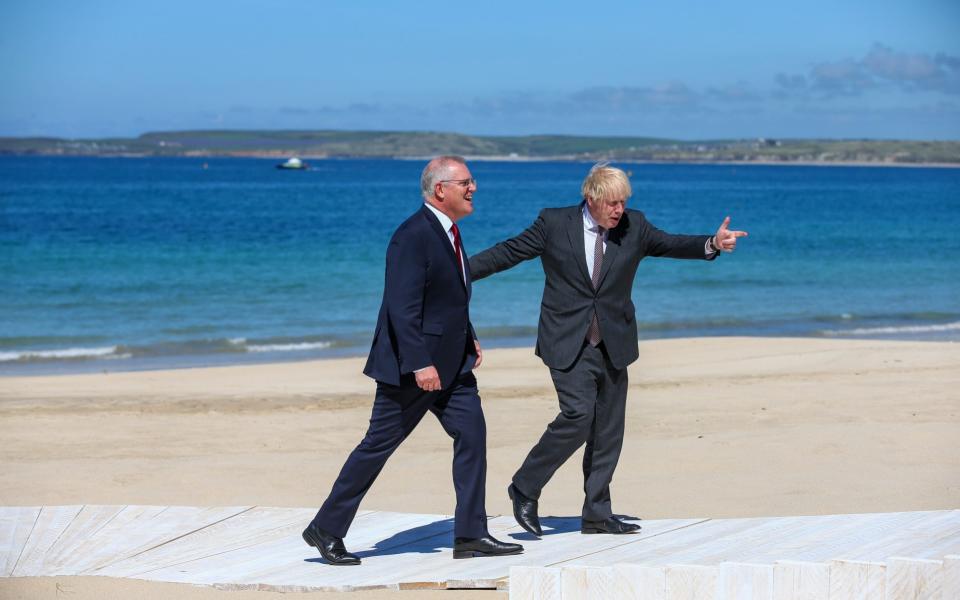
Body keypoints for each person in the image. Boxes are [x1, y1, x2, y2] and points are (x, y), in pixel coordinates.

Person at [469, 163, 747, 537]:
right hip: (566, 340)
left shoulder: (635, 225)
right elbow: (508, 252)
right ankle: (525, 485)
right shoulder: (554, 223)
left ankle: (597, 514)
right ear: (592, 197)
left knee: (608, 431)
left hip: (614, 342)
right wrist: (458, 271)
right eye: (613, 203)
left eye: (623, 202)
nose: (619, 210)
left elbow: (671, 243)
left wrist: (712, 244)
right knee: (578, 415)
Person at [303, 156, 523, 565]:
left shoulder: (450, 232)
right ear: (441, 189)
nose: (473, 188)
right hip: (415, 369)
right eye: (466, 182)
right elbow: (401, 308)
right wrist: (419, 364)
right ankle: (326, 528)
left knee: (472, 435)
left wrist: (469, 337)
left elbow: (446, 297)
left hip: (453, 365)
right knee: (377, 446)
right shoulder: (412, 235)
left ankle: (471, 534)